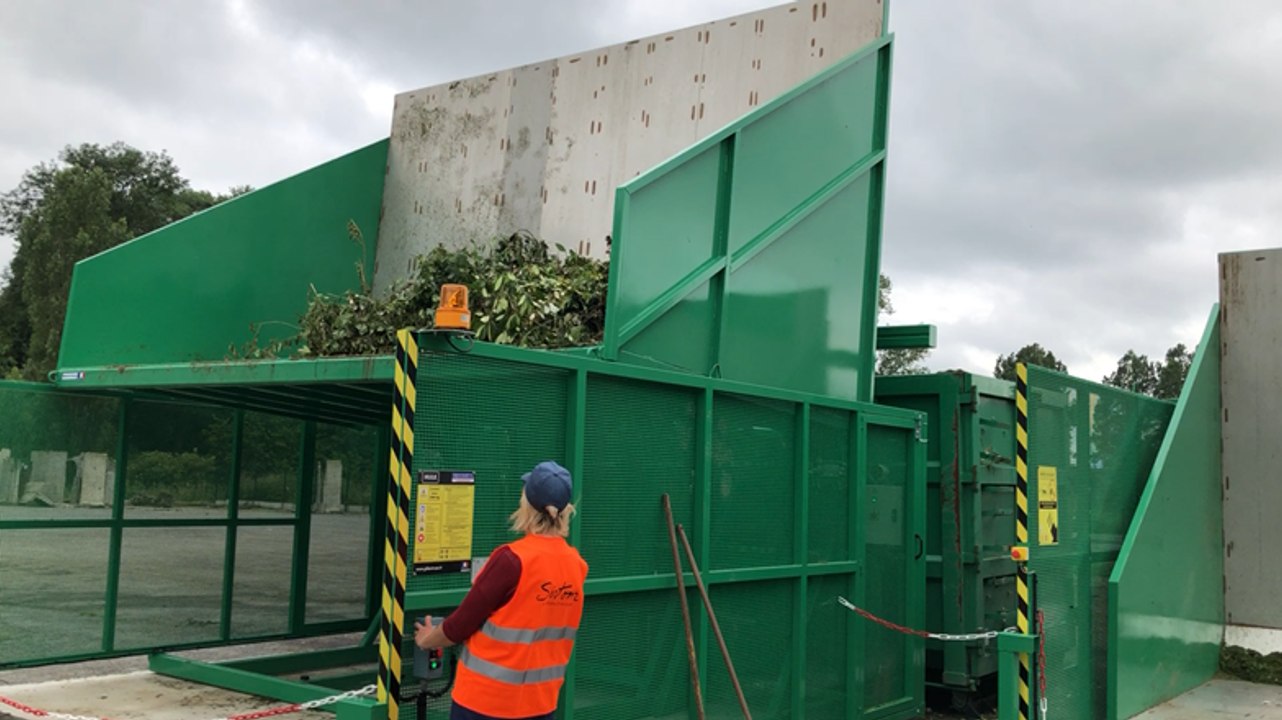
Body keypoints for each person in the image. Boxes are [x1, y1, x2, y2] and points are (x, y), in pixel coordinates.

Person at [414, 460, 589, 720]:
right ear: (565, 510)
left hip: (483, 705)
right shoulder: (577, 566)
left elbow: (459, 626)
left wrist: (427, 639)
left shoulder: (511, 560)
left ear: (526, 505)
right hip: (540, 706)